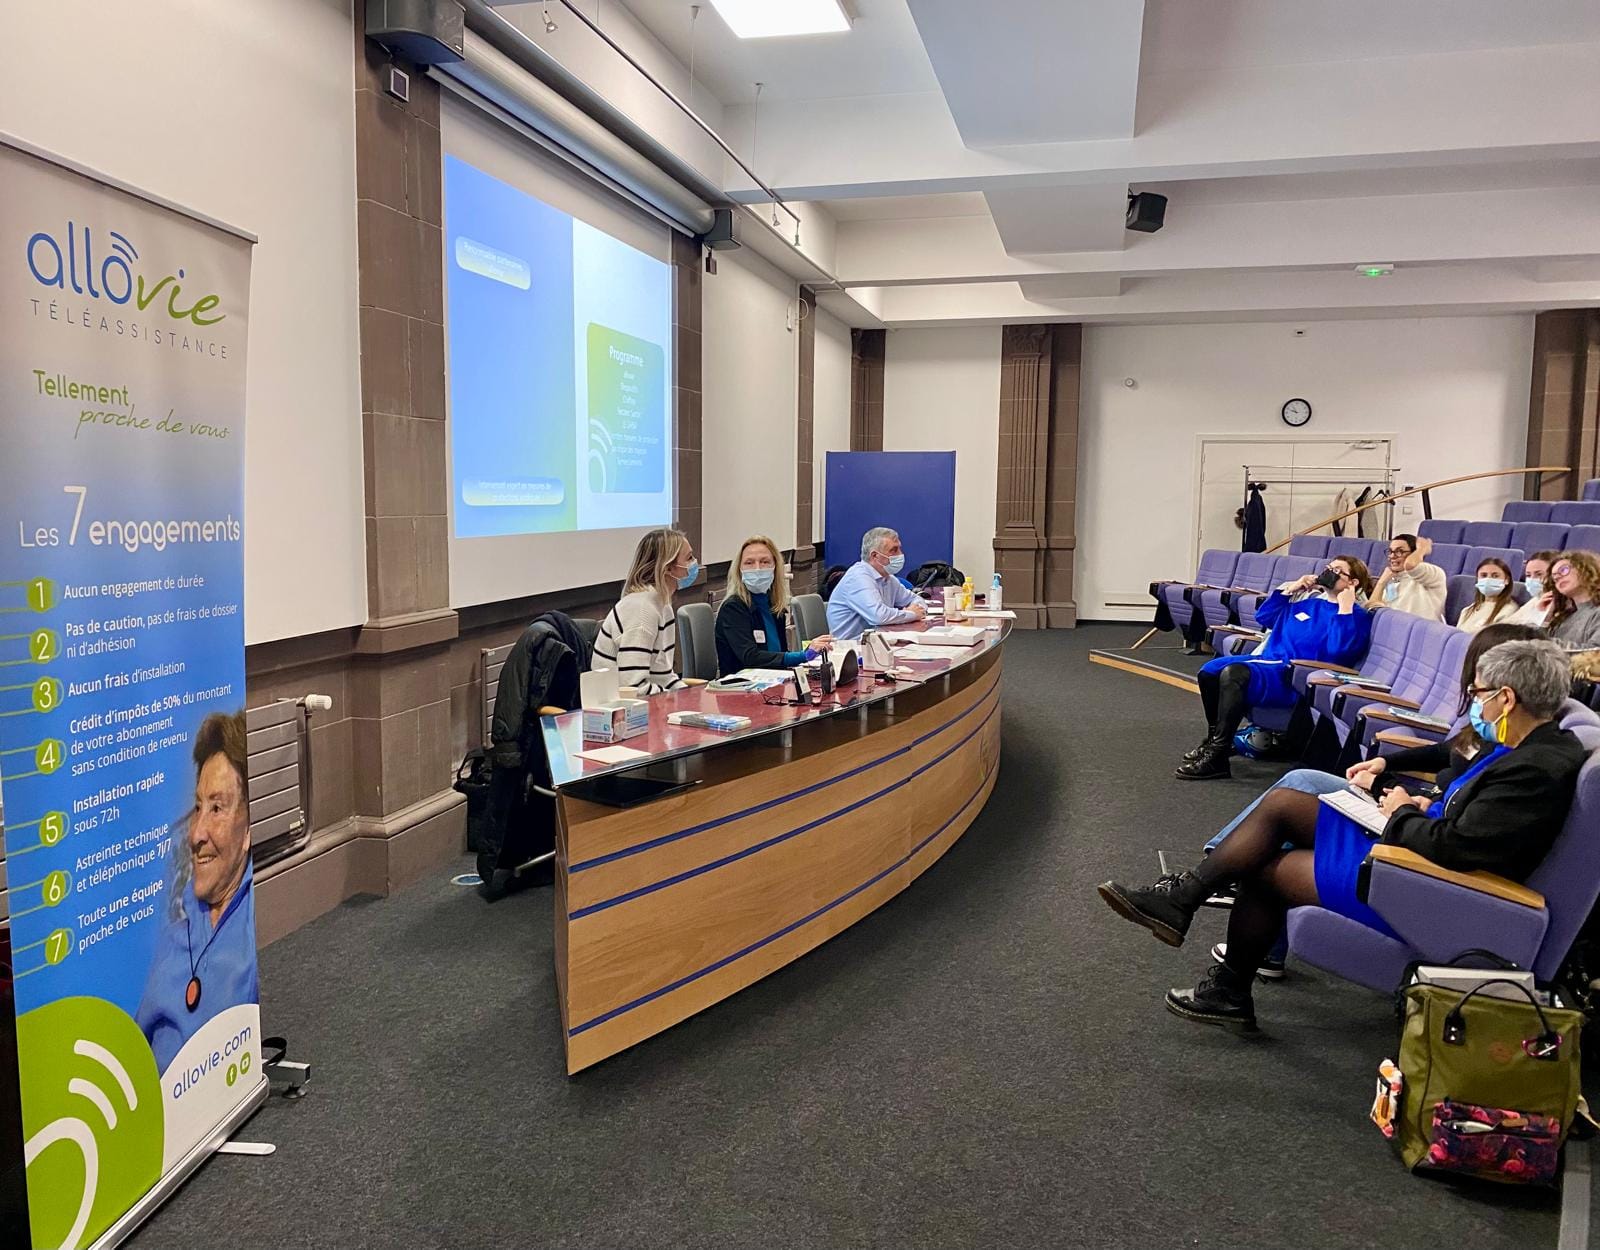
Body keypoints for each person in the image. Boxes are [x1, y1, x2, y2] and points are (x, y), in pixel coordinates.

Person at [1099, 638, 1586, 1032]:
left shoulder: (1534, 767)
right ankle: (1189, 912)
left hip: (1433, 888)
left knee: (1271, 865)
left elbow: (1456, 848)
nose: (1475, 703)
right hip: (1424, 858)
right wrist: (1422, 807)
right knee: (1286, 807)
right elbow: (1477, 826)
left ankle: (1212, 959)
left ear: (1507, 698)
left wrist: (1401, 812)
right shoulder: (1530, 746)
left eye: (1479, 694)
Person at [1201, 621, 1546, 977]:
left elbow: (1459, 836)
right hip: (1419, 816)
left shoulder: (1519, 755)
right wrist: (1388, 765)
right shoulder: (1499, 731)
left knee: (1292, 804)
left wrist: (1402, 801)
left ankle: (1221, 873)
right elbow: (1450, 753)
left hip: (1419, 845)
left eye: (1478, 684)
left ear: (1507, 691)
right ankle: (1220, 874)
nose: (1472, 690)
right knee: (1295, 791)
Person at [1178, 555, 1374, 781]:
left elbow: (1338, 652)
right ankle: (1216, 742)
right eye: (1329, 567)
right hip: (1270, 661)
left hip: (1295, 675)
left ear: (1353, 582)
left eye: (1337, 571)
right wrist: (1290, 589)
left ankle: (1218, 756)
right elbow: (1265, 617)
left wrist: (1345, 607)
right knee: (1209, 671)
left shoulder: (1355, 616)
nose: (1329, 572)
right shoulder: (1309, 602)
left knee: (1234, 674)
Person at [137, 710, 259, 1072]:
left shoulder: (251, 929)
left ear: (248, 828)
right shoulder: (172, 923)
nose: (196, 834)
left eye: (217, 808)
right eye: (198, 807)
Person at [592, 527, 697, 692]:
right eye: (689, 558)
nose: (694, 563)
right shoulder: (641, 609)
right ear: (667, 568)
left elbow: (664, 676)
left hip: (648, 700)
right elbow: (633, 687)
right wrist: (675, 700)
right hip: (619, 705)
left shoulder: (663, 605)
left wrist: (687, 695)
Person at [715, 535, 833, 674]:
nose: (757, 568)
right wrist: (802, 656)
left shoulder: (775, 605)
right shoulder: (733, 608)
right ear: (739, 569)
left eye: (764, 562)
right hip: (742, 683)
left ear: (775, 567)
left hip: (775, 679)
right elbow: (750, 657)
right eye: (749, 563)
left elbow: (780, 654)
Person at [825, 526, 928, 640]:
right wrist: (911, 614)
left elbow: (915, 599)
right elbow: (878, 616)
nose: (900, 554)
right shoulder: (858, 577)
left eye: (899, 548)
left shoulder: (888, 578)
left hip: (879, 642)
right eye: (894, 550)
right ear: (875, 556)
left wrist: (916, 610)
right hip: (851, 646)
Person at [1371, 533, 1447, 620]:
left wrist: (1421, 549)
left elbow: (1410, 565)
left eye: (1399, 551)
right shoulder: (1392, 578)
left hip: (1423, 627)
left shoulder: (1433, 573)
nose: (1392, 556)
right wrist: (1381, 583)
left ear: (1414, 553)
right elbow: (1372, 609)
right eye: (1391, 551)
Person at [1541, 551, 1600, 651]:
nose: (1557, 577)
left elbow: (1595, 652)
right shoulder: (1563, 616)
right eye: (1554, 577)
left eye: (1563, 570)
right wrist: (1545, 619)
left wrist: (1542, 642)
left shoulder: (1597, 612)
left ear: (1586, 570)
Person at [1455, 557, 1518, 634]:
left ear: (1507, 580)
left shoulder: (1508, 610)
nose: (1488, 579)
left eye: (1495, 576)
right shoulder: (1467, 610)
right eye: (1483, 575)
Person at [1509, 550, 1558, 627]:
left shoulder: (1557, 604)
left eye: (1539, 574)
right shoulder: (1536, 599)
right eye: (1528, 575)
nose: (1532, 579)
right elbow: (1508, 623)